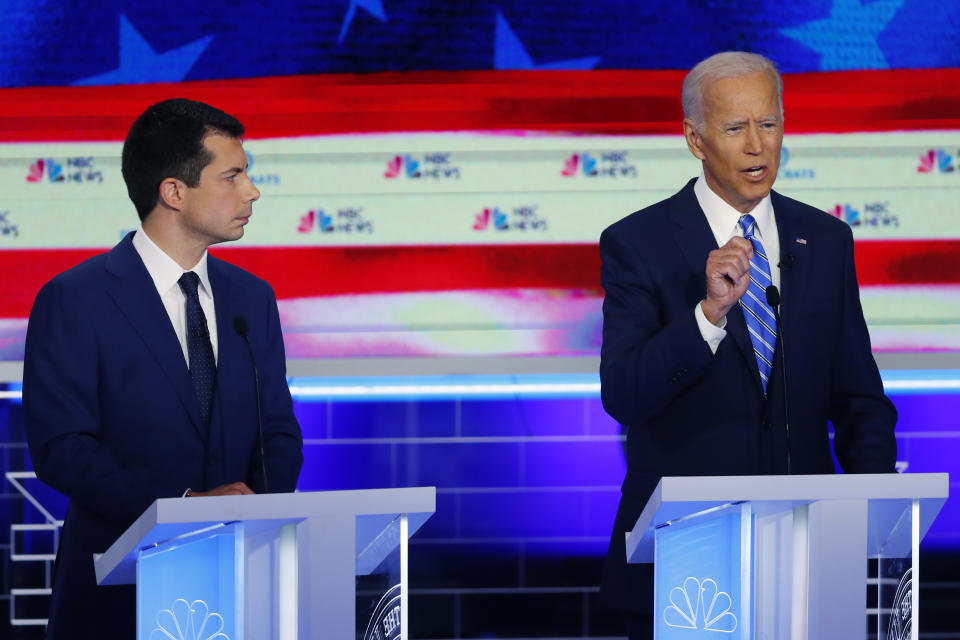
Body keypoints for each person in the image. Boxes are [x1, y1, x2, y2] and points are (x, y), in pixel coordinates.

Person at [597, 52, 897, 639]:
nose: (758, 146)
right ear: (695, 138)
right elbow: (624, 394)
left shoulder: (827, 239)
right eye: (736, 128)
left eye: (769, 124)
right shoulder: (638, 242)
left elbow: (859, 396)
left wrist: (876, 511)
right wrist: (708, 316)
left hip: (810, 558)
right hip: (685, 567)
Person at [23, 98, 304, 639]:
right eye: (233, 176)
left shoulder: (252, 298)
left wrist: (255, 516)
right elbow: (63, 449)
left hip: (240, 587)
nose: (252, 192)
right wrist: (183, 507)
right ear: (174, 192)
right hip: (115, 598)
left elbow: (278, 432)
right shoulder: (75, 299)